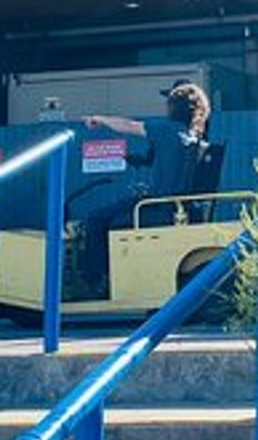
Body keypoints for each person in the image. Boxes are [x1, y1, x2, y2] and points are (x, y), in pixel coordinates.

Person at [73, 80, 212, 286]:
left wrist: (99, 119)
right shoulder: (193, 137)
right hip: (176, 205)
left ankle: (97, 280)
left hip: (159, 205)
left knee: (95, 219)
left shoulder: (168, 130)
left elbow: (129, 126)